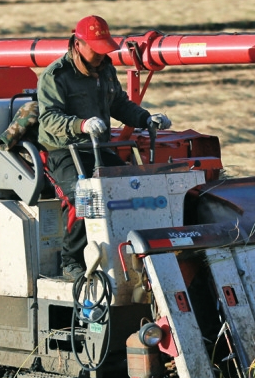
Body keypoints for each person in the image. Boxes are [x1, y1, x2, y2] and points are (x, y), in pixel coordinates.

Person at [38, 15, 172, 280]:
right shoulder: (56, 76)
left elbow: (119, 104)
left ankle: (127, 253)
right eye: (95, 49)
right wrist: (81, 125)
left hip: (97, 149)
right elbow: (48, 119)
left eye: (104, 49)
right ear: (78, 44)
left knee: (129, 187)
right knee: (83, 197)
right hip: (63, 151)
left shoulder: (106, 71)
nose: (101, 55)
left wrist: (146, 118)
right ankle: (72, 261)